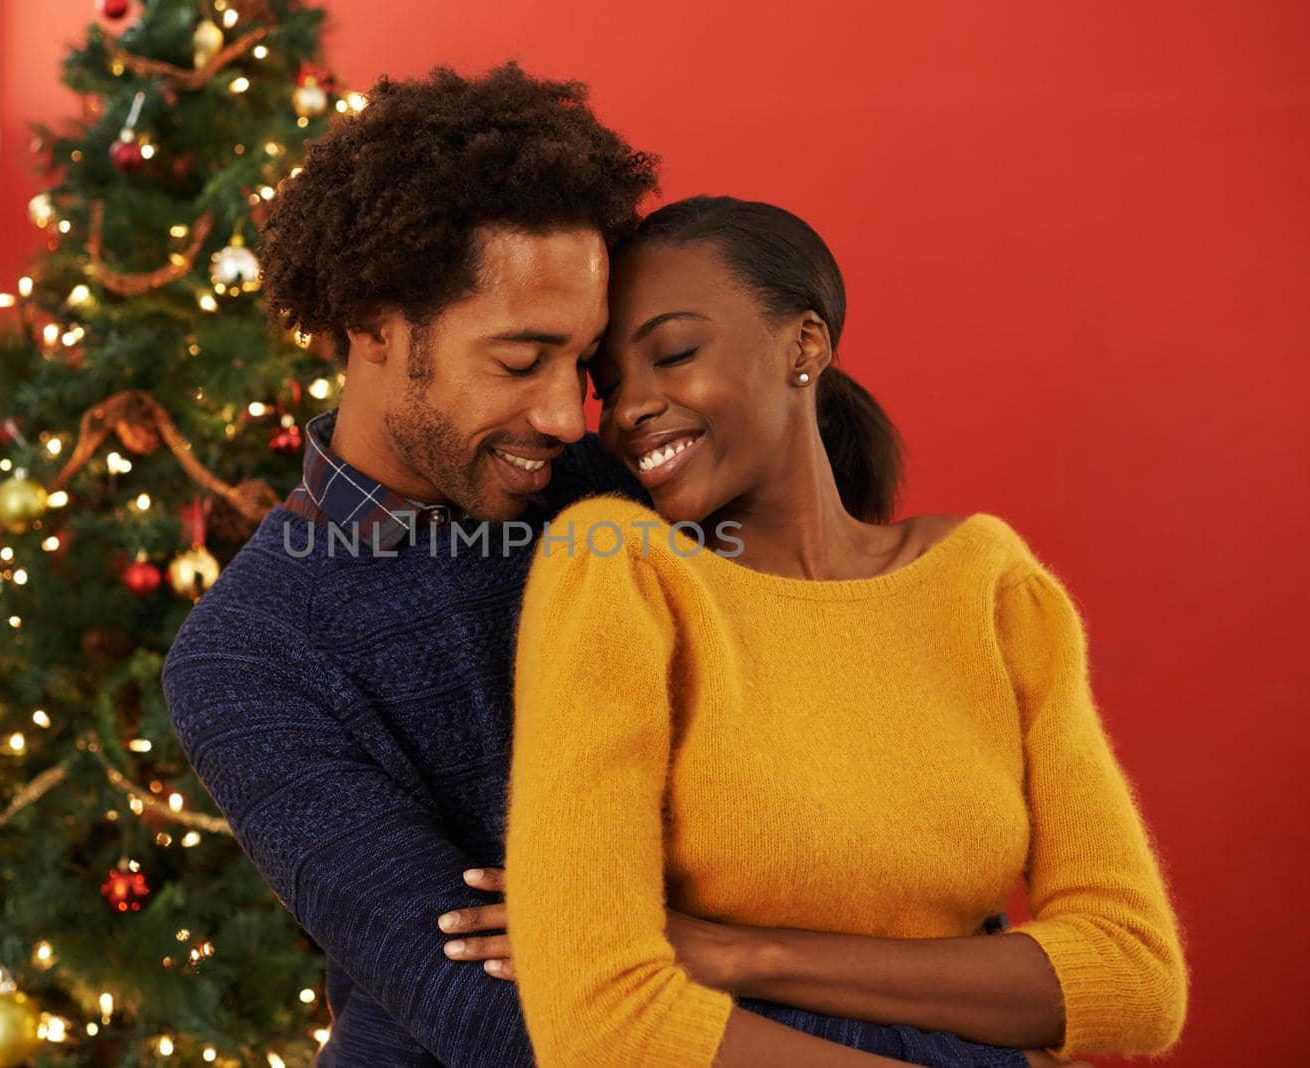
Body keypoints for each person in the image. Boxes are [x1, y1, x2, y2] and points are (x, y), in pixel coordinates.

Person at [161, 67, 1042, 1067]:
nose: (560, 417)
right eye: (515, 361)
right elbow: (492, 1010)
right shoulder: (249, 655)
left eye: (577, 366)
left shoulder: (632, 487)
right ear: (373, 325)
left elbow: (864, 845)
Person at [500, 196, 1190, 1067]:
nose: (630, 407)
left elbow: (1134, 980)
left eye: (674, 353)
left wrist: (746, 954)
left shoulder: (987, 585)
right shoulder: (618, 569)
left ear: (806, 345)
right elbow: (601, 1027)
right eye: (610, 382)